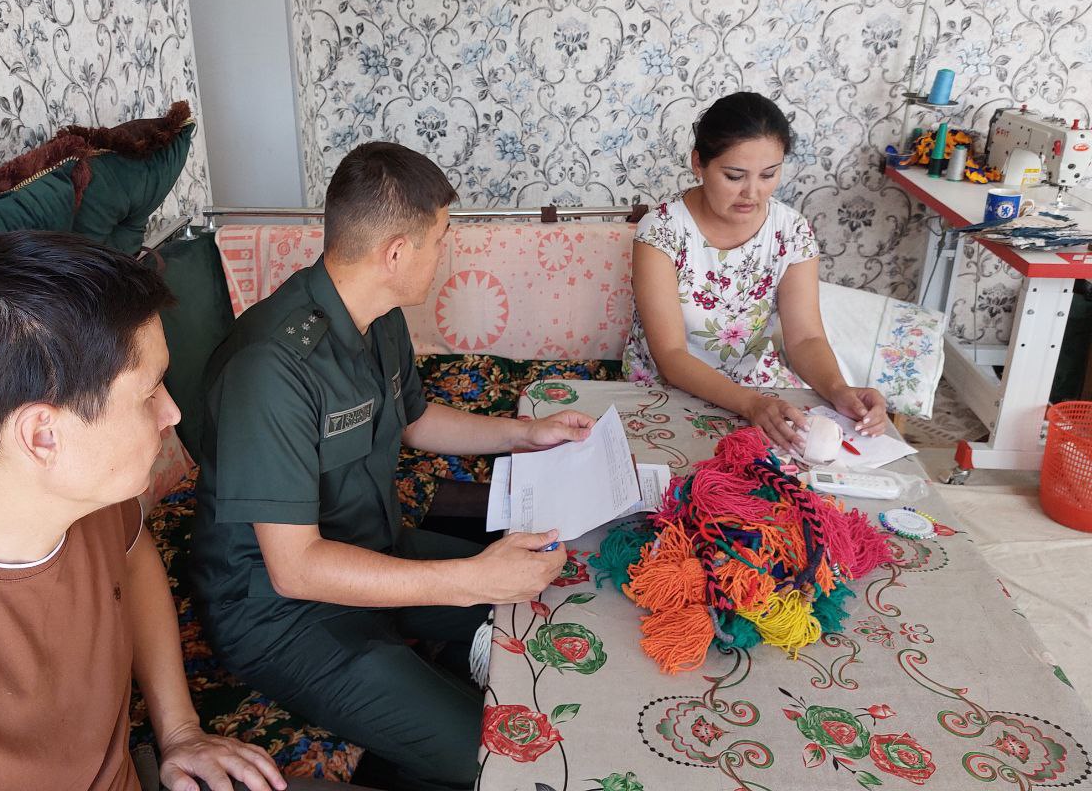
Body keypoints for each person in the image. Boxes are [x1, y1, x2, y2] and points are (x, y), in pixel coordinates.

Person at [0, 231, 285, 791]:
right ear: (43, 436)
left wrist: (180, 730)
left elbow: (132, 554)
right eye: (150, 393)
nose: (172, 413)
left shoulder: (83, 492)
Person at [191, 141, 594, 790]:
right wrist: (470, 580)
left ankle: (459, 655)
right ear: (397, 253)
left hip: (373, 548)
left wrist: (526, 434)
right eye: (440, 241)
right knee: (492, 752)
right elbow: (295, 568)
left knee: (555, 599)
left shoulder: (378, 318)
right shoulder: (270, 368)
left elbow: (414, 420)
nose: (444, 254)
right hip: (281, 615)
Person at [623, 91, 886, 452]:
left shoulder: (791, 231)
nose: (752, 192)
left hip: (756, 387)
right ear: (698, 163)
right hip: (667, 389)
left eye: (768, 174)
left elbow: (805, 339)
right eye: (734, 176)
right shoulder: (661, 231)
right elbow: (670, 356)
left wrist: (839, 389)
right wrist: (750, 404)